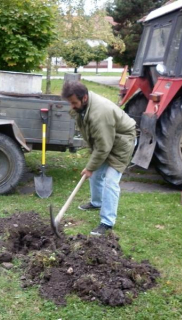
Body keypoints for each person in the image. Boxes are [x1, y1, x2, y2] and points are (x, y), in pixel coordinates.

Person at [62, 81, 136, 236]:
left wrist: (89, 167)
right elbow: (100, 141)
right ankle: (97, 203)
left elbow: (103, 147)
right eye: (70, 103)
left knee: (110, 180)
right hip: (108, 139)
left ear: (84, 98)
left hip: (122, 141)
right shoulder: (84, 107)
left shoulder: (99, 114)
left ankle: (107, 222)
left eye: (74, 103)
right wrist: (92, 168)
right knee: (95, 174)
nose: (72, 106)